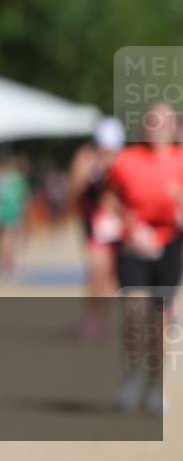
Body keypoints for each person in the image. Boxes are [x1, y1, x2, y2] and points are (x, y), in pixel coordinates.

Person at [107, 102, 183, 416]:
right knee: (135, 309)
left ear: (174, 127)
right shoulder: (127, 160)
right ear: (144, 125)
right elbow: (110, 199)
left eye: (165, 121)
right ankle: (132, 375)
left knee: (159, 321)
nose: (158, 126)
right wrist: (130, 225)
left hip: (169, 244)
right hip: (134, 246)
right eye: (153, 120)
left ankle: (154, 386)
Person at [69, 116, 125, 342]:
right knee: (97, 272)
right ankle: (93, 317)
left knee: (112, 277)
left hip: (116, 225)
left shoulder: (123, 161)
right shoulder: (86, 159)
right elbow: (74, 192)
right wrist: (88, 172)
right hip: (94, 224)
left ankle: (103, 319)